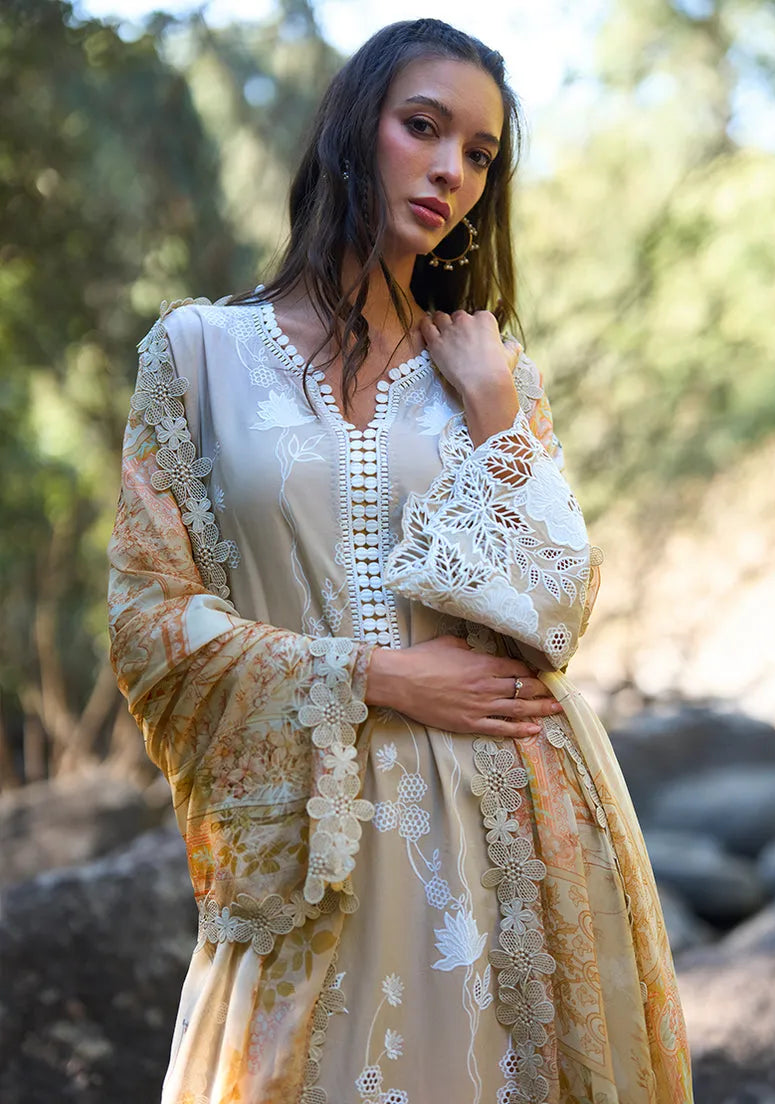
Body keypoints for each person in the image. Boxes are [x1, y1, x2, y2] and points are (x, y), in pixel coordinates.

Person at [108, 18, 693, 1104]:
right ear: (352, 126)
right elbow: (147, 623)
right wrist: (377, 676)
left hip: (511, 831)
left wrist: (496, 409)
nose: (449, 171)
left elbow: (552, 612)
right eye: (422, 127)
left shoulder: (490, 370)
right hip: (311, 844)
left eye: (479, 153)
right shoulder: (198, 354)